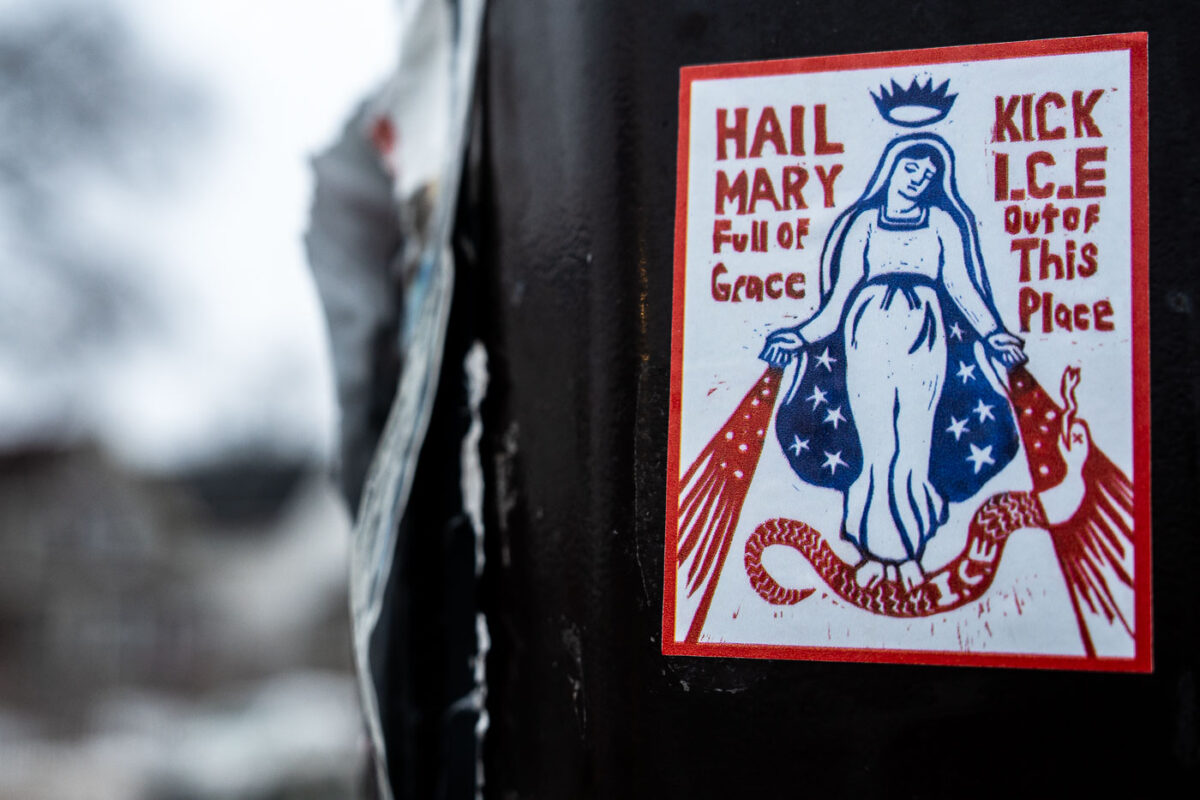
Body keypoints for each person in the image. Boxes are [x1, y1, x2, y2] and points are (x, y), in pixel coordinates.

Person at [760, 133, 1025, 588]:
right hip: (868, 335)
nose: (917, 179)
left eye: (927, 174)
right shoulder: (864, 222)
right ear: (892, 168)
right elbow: (839, 299)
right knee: (878, 444)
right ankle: (874, 552)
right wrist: (799, 336)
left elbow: (962, 285)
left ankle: (908, 554)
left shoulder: (942, 222)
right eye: (910, 169)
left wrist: (994, 333)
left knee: (915, 443)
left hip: (924, 335)